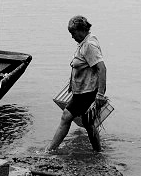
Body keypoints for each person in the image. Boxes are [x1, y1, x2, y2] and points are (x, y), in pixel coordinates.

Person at [46, 15, 108, 153]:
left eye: (73, 33)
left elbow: (102, 68)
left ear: (81, 30)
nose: (72, 36)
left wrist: (100, 94)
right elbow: (83, 65)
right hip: (83, 90)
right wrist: (71, 83)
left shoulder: (89, 46)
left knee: (66, 117)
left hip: (88, 91)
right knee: (88, 123)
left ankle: (49, 151)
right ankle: (98, 152)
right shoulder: (86, 41)